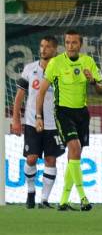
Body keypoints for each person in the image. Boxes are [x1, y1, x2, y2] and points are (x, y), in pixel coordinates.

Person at [36, 30, 102, 211]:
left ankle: (64, 200)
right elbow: (41, 91)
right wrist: (38, 116)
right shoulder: (56, 63)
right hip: (63, 112)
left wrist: (92, 81)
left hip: (82, 112)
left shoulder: (88, 62)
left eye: (74, 43)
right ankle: (83, 198)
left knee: (75, 155)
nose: (70, 46)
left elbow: (100, 89)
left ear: (80, 45)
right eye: (67, 42)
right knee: (74, 147)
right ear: (64, 44)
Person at [11, 37, 65, 209]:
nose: (43, 49)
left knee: (51, 159)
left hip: (54, 124)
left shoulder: (62, 71)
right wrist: (16, 119)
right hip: (32, 122)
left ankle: (44, 200)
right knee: (32, 158)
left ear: (55, 50)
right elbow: (19, 96)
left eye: (48, 46)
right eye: (42, 46)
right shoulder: (29, 69)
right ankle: (31, 191)